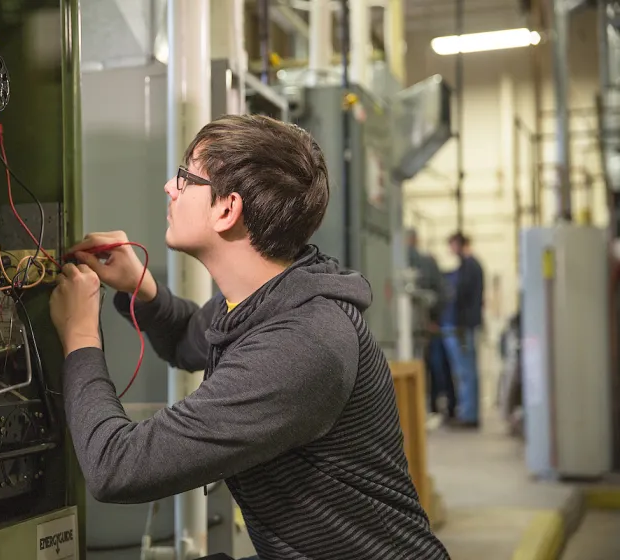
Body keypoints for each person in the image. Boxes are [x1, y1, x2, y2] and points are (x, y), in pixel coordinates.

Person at [49, 115, 450, 559]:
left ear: (227, 209)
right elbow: (187, 338)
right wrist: (140, 286)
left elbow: (117, 467)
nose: (169, 186)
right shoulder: (265, 298)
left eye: (185, 177)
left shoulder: (302, 343)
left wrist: (81, 334)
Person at [406, 229, 456, 420]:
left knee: (434, 366)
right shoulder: (425, 262)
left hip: (425, 327)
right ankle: (433, 406)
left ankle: (434, 406)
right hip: (425, 326)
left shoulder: (422, 262)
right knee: (433, 367)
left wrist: (433, 320)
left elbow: (438, 294)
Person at [440, 232, 484, 429]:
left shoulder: (469, 267)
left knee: (465, 372)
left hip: (463, 326)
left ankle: (469, 416)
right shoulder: (471, 266)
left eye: (452, 246)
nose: (451, 250)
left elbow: (460, 297)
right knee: (467, 371)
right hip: (465, 325)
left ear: (459, 244)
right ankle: (469, 413)